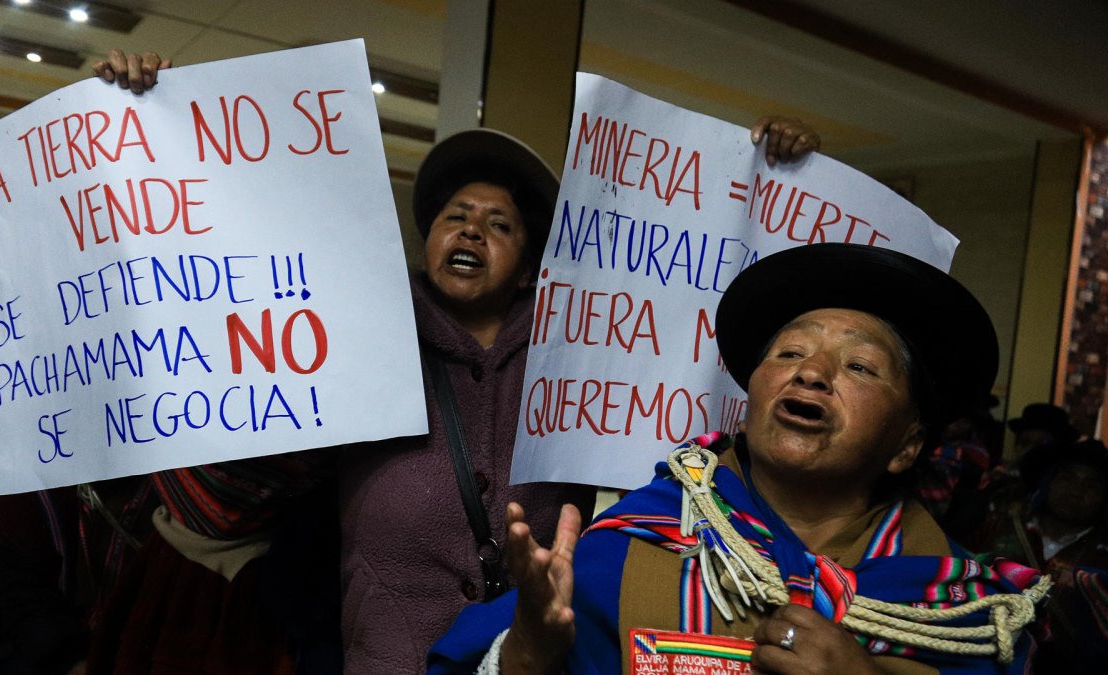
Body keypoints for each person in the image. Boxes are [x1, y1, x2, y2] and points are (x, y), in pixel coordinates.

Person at [85, 50, 822, 674]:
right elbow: (219, 477)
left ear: (528, 265)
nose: (471, 227)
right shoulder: (350, 334)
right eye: (454, 215)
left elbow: (706, 348)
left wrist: (766, 179)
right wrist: (152, 118)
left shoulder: (586, 350)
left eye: (498, 223)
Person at [430, 243, 1050, 674]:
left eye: (859, 366)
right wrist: (530, 655)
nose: (811, 372)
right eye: (787, 354)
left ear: (908, 445)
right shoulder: (620, 552)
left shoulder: (967, 615)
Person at [982, 438, 1108, 673]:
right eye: (1065, 478)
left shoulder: (1102, 556)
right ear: (1046, 483)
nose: (1076, 491)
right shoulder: (999, 529)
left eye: (1092, 485)